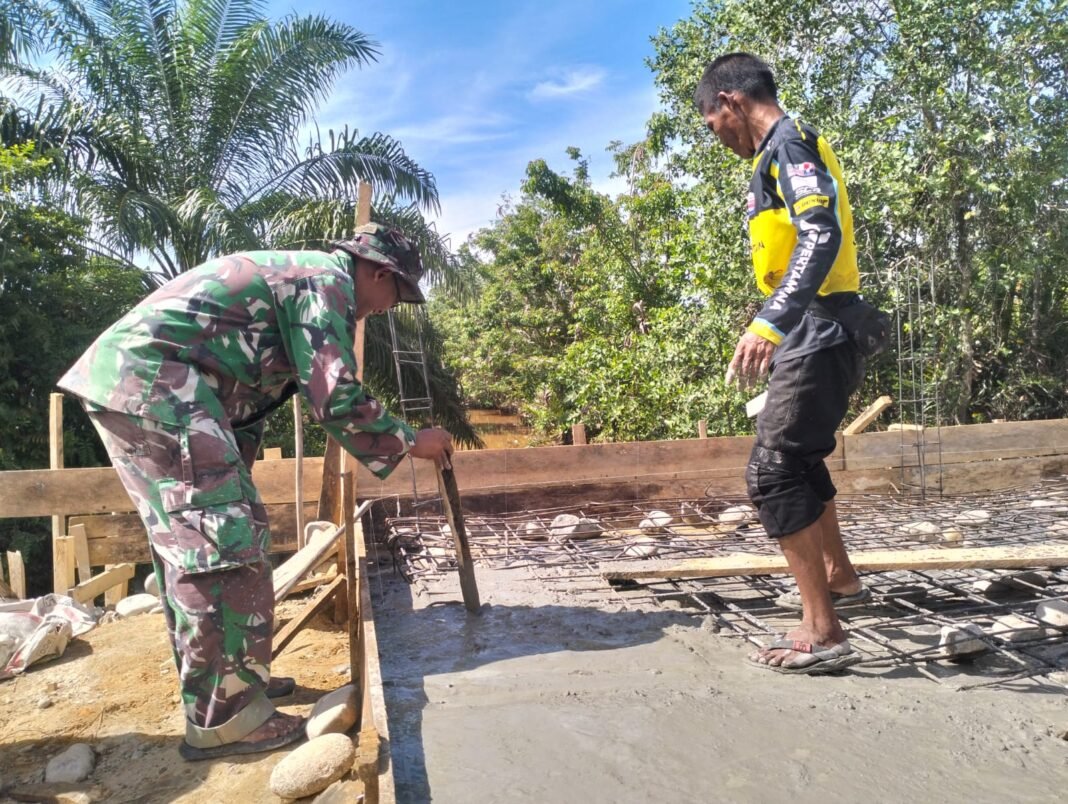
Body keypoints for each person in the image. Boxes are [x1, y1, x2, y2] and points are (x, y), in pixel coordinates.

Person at [57, 222, 454, 758]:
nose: (386, 308)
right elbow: (335, 398)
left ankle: (237, 684)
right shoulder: (326, 284)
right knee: (222, 544)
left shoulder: (301, 277)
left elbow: (248, 384)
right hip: (156, 386)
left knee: (213, 538)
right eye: (395, 295)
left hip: (154, 387)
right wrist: (411, 439)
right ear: (379, 272)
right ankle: (226, 720)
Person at [694, 53, 869, 675]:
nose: (719, 139)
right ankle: (839, 577)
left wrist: (772, 321)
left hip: (819, 323)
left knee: (773, 473)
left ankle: (823, 632)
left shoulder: (789, 145)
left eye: (714, 124)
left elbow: (819, 233)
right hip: (819, 323)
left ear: (732, 103)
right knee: (797, 457)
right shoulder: (780, 154)